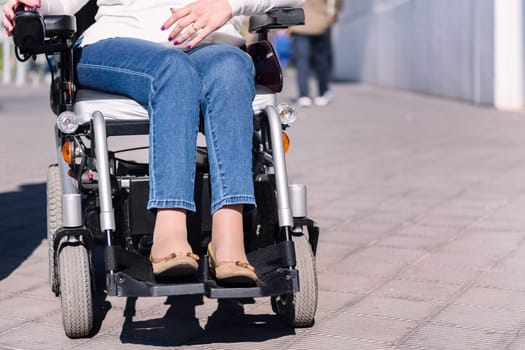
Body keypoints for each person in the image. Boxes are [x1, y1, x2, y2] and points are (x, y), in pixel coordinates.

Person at [2, 0, 304, 285]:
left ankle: (229, 233)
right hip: (118, 43)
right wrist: (32, 4)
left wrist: (229, 5)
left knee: (231, 71)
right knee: (173, 70)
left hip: (212, 45)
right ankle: (170, 229)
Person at [290, 0, 342, 107]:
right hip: (321, 23)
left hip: (300, 25)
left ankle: (304, 95)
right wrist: (334, 14)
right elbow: (336, 2)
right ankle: (323, 93)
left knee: (302, 61)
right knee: (321, 60)